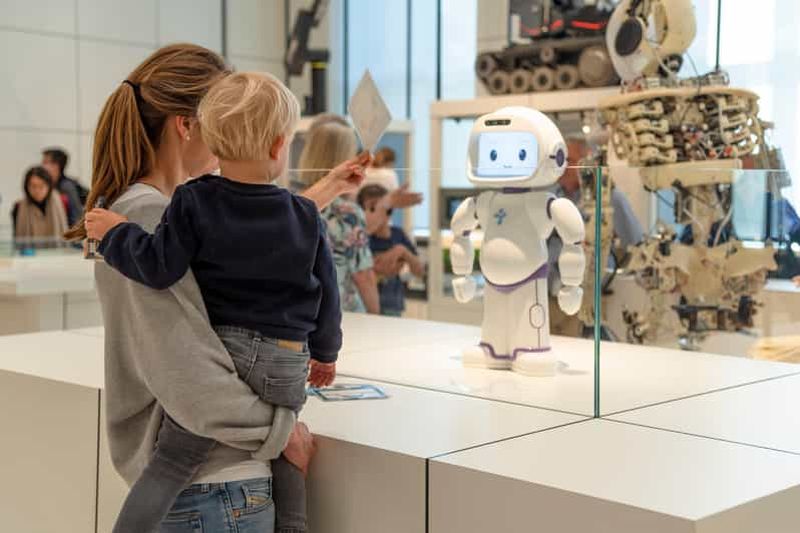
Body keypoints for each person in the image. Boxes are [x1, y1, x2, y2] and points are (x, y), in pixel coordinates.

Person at [65, 44, 364, 533]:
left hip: (213, 487)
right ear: (189, 124)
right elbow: (189, 372)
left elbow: (251, 232)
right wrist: (281, 432)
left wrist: (323, 192)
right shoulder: (148, 213)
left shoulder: (160, 211)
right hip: (218, 485)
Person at [298, 114, 381, 314]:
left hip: (304, 314)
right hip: (342, 315)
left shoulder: (292, 203)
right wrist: (377, 316)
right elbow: (364, 277)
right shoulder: (347, 213)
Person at [358, 184, 424, 316]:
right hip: (365, 306)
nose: (381, 215)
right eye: (372, 209)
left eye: (386, 209)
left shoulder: (398, 234)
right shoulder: (360, 238)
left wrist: (402, 251)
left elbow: (419, 271)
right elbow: (372, 270)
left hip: (394, 305)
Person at [11, 166, 68, 248]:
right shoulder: (18, 207)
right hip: (30, 257)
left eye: (41, 186)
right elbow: (17, 240)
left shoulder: (61, 202)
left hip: (58, 255)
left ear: (49, 186)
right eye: (33, 186)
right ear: (26, 187)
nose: (37, 190)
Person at [41, 148, 87, 226]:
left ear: (56, 165)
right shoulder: (50, 186)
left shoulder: (66, 186)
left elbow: (77, 217)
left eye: (45, 162)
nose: (42, 166)